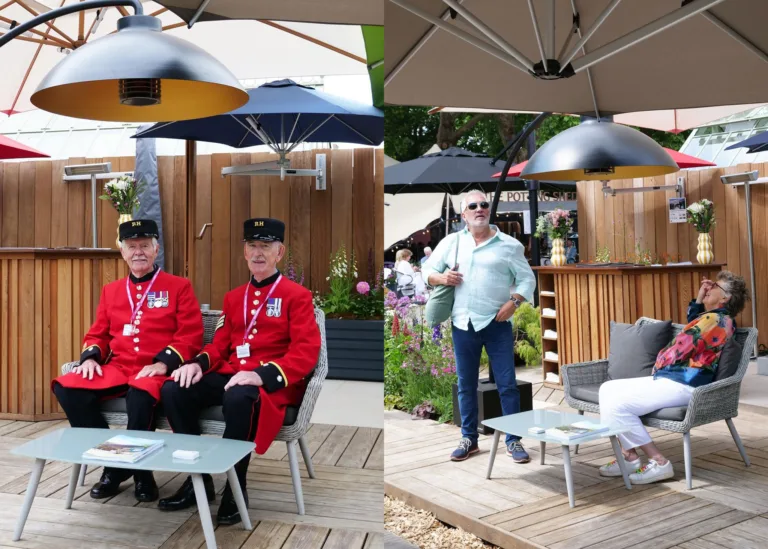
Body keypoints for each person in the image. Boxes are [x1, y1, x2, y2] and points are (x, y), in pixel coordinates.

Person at [158, 218, 321, 525]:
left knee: (239, 397)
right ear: (244, 252)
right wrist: (196, 364)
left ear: (279, 251)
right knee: (173, 389)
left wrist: (261, 375)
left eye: (265, 246)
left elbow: (305, 352)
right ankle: (200, 479)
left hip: (272, 382)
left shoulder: (297, 296)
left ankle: (236, 486)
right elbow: (219, 346)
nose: (258, 253)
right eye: (252, 246)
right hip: (233, 372)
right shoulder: (234, 297)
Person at [52, 219, 203, 502]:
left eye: (144, 246)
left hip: (156, 370)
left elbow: (190, 336)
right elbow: (98, 333)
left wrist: (163, 364)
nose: (138, 252)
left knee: (140, 395)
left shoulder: (178, 286)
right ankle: (115, 466)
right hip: (119, 368)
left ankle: (142, 473)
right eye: (132, 246)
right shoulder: (112, 290)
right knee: (67, 387)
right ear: (122, 252)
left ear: (156, 249)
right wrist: (91, 357)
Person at [599, 271, 749, 484]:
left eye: (714, 285)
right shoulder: (716, 319)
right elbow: (694, 323)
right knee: (608, 389)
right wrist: (700, 298)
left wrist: (659, 363)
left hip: (682, 383)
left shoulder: (715, 319)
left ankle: (659, 462)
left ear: (725, 298)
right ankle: (629, 456)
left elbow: (682, 346)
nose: (708, 286)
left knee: (618, 405)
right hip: (675, 380)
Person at [422, 190, 536, 463]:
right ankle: (469, 438)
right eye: (473, 206)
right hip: (463, 323)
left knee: (507, 385)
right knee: (466, 384)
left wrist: (514, 302)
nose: (479, 209)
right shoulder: (452, 243)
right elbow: (427, 272)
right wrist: (442, 277)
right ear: (464, 215)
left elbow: (527, 280)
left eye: (484, 205)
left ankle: (514, 440)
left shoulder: (509, 245)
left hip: (497, 323)